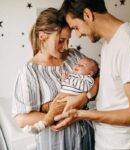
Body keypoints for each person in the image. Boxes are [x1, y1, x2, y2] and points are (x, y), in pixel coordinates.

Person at [52, 0, 130, 149]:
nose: (78, 35)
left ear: (87, 14)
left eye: (76, 27)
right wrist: (84, 96)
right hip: (107, 142)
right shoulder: (108, 45)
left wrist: (81, 115)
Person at [12, 7, 98, 150]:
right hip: (56, 144)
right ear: (42, 37)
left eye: (68, 40)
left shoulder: (74, 57)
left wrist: (85, 97)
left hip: (86, 139)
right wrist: (61, 116)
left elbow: (98, 78)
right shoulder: (29, 72)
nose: (65, 46)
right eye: (61, 40)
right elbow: (22, 119)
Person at [23, 57, 99, 134]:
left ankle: (39, 127)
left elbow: (84, 87)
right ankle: (40, 113)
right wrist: (64, 81)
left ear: (90, 73)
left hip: (68, 100)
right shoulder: (73, 75)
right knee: (45, 106)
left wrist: (69, 80)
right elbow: (65, 86)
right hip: (60, 96)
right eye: (76, 64)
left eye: (82, 65)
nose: (77, 66)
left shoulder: (88, 79)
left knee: (54, 112)